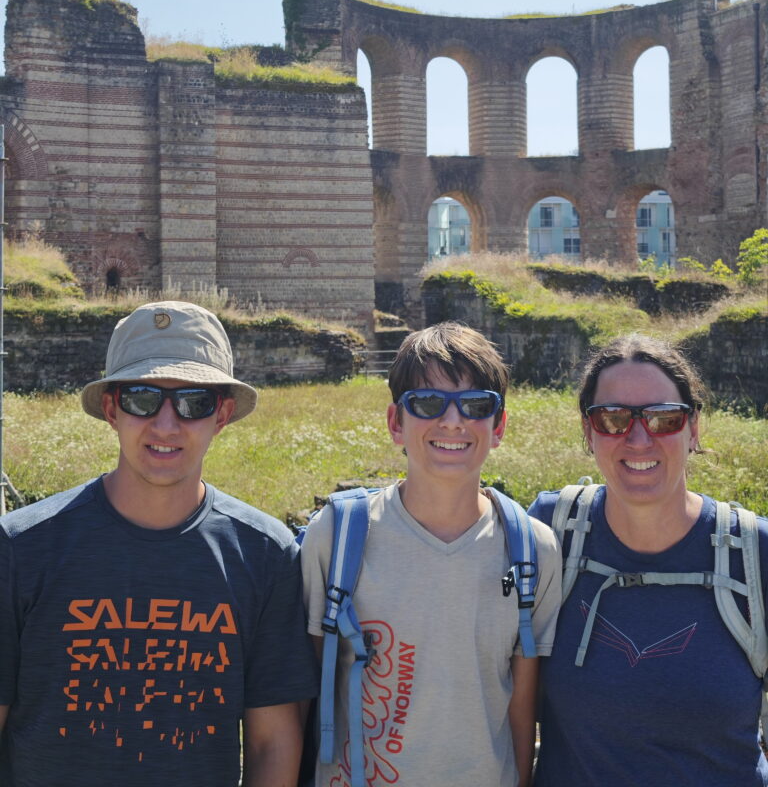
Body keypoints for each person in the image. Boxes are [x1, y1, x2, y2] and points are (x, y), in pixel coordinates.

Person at [0, 300, 318, 787]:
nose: (166, 425)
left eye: (194, 402)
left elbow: (270, 741)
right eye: (142, 398)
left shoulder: (264, 553)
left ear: (223, 414)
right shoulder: (21, 547)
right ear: (111, 409)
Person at [301, 321, 562, 787]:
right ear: (395, 423)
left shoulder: (532, 549)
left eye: (475, 405)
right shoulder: (338, 536)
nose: (453, 421)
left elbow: (522, 716)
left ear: (498, 425)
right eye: (428, 403)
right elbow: (305, 694)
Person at [528, 332, 768, 786]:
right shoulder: (551, 532)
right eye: (612, 418)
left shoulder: (754, 553)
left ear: (694, 428)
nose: (638, 438)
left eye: (664, 419)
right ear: (587, 430)